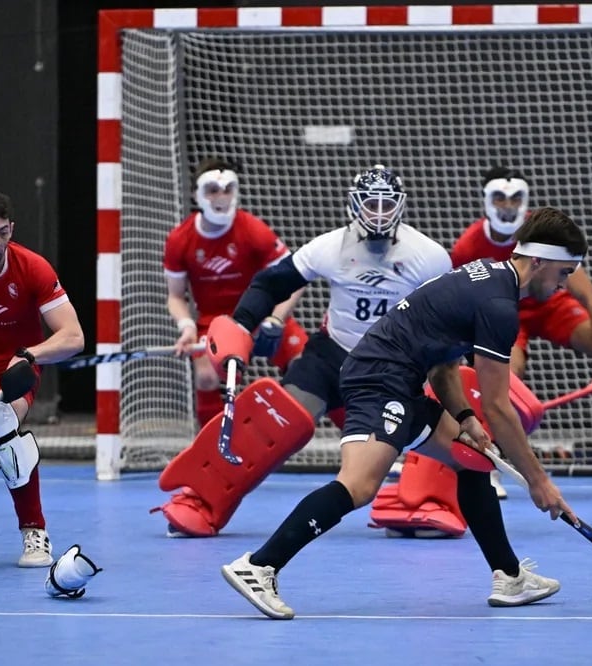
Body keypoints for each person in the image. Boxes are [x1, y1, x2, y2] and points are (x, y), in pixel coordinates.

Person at [217, 206, 583, 619]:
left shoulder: (486, 275)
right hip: (379, 379)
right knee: (358, 486)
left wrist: (464, 418)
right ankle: (260, 566)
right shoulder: (499, 305)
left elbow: (444, 365)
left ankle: (509, 576)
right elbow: (499, 409)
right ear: (538, 260)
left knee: (474, 461)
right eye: (563, 273)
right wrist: (540, 483)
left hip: (401, 379)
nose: (563, 285)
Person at [153, 164, 452, 537]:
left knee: (437, 435)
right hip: (333, 355)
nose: (377, 213)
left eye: (385, 204)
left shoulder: (430, 256)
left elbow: (453, 314)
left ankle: (423, 503)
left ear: (400, 206)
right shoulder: (329, 247)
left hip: (391, 367)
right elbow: (270, 283)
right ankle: (201, 498)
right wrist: (243, 325)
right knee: (274, 422)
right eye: (369, 203)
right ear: (353, 206)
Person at [450, 166, 592, 493]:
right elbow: (461, 310)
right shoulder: (467, 248)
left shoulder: (544, 234)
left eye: (515, 199)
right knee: (505, 376)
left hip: (550, 304)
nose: (507, 207)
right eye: (500, 198)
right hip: (504, 313)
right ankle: (490, 457)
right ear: (486, 200)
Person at [0, 190, 85, 566]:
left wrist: (29, 355)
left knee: (0, 422)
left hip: (12, 368)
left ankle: (34, 532)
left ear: (12, 229)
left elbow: (73, 336)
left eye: (2, 232)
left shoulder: (32, 268)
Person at [163, 157, 307, 428]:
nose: (221, 197)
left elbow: (295, 280)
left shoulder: (254, 230)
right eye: (213, 190)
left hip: (260, 315)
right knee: (205, 376)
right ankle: (212, 449)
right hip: (215, 323)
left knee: (307, 366)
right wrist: (186, 326)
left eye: (228, 189)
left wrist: (275, 320)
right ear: (197, 195)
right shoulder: (179, 239)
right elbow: (175, 296)